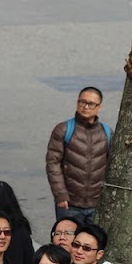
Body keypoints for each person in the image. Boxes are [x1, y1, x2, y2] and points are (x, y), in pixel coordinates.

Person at [46, 86, 110, 223]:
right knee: (67, 242)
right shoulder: (63, 129)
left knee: (94, 243)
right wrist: (60, 194)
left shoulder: (107, 133)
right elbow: (53, 163)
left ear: (99, 107)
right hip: (69, 204)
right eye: (82, 102)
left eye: (91, 104)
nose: (85, 106)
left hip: (97, 205)